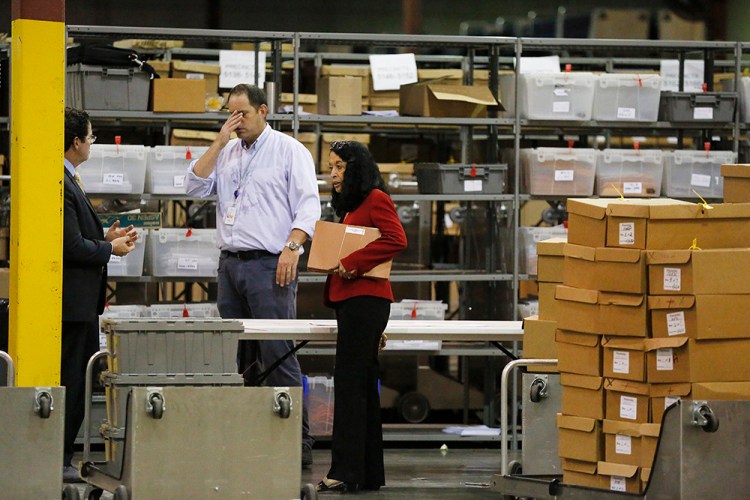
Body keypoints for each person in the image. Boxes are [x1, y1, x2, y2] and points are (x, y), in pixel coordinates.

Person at [185, 84, 321, 467]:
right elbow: (193, 184)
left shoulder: (290, 151)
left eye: (242, 113)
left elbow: (308, 206)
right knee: (237, 353)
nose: (236, 120)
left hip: (269, 263)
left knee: (277, 349)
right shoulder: (227, 151)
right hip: (231, 264)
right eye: (231, 113)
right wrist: (219, 140)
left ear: (264, 111)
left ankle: (299, 439)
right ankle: (245, 432)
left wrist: (292, 249)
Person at [317, 141, 408, 493]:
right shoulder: (356, 205)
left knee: (351, 387)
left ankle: (345, 469)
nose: (334, 173)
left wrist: (353, 263)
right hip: (359, 305)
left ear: (357, 167)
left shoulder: (375, 198)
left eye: (340, 166)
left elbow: (396, 238)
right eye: (332, 166)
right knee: (363, 388)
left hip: (364, 302)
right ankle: (366, 472)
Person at [62, 107, 138, 482]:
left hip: (78, 303)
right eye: (91, 137)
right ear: (76, 142)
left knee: (76, 379)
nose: (92, 143)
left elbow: (77, 239)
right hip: (72, 306)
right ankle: (59, 458)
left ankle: (60, 456)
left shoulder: (69, 178)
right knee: (72, 381)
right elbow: (71, 246)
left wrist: (105, 239)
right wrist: (110, 251)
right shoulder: (61, 181)